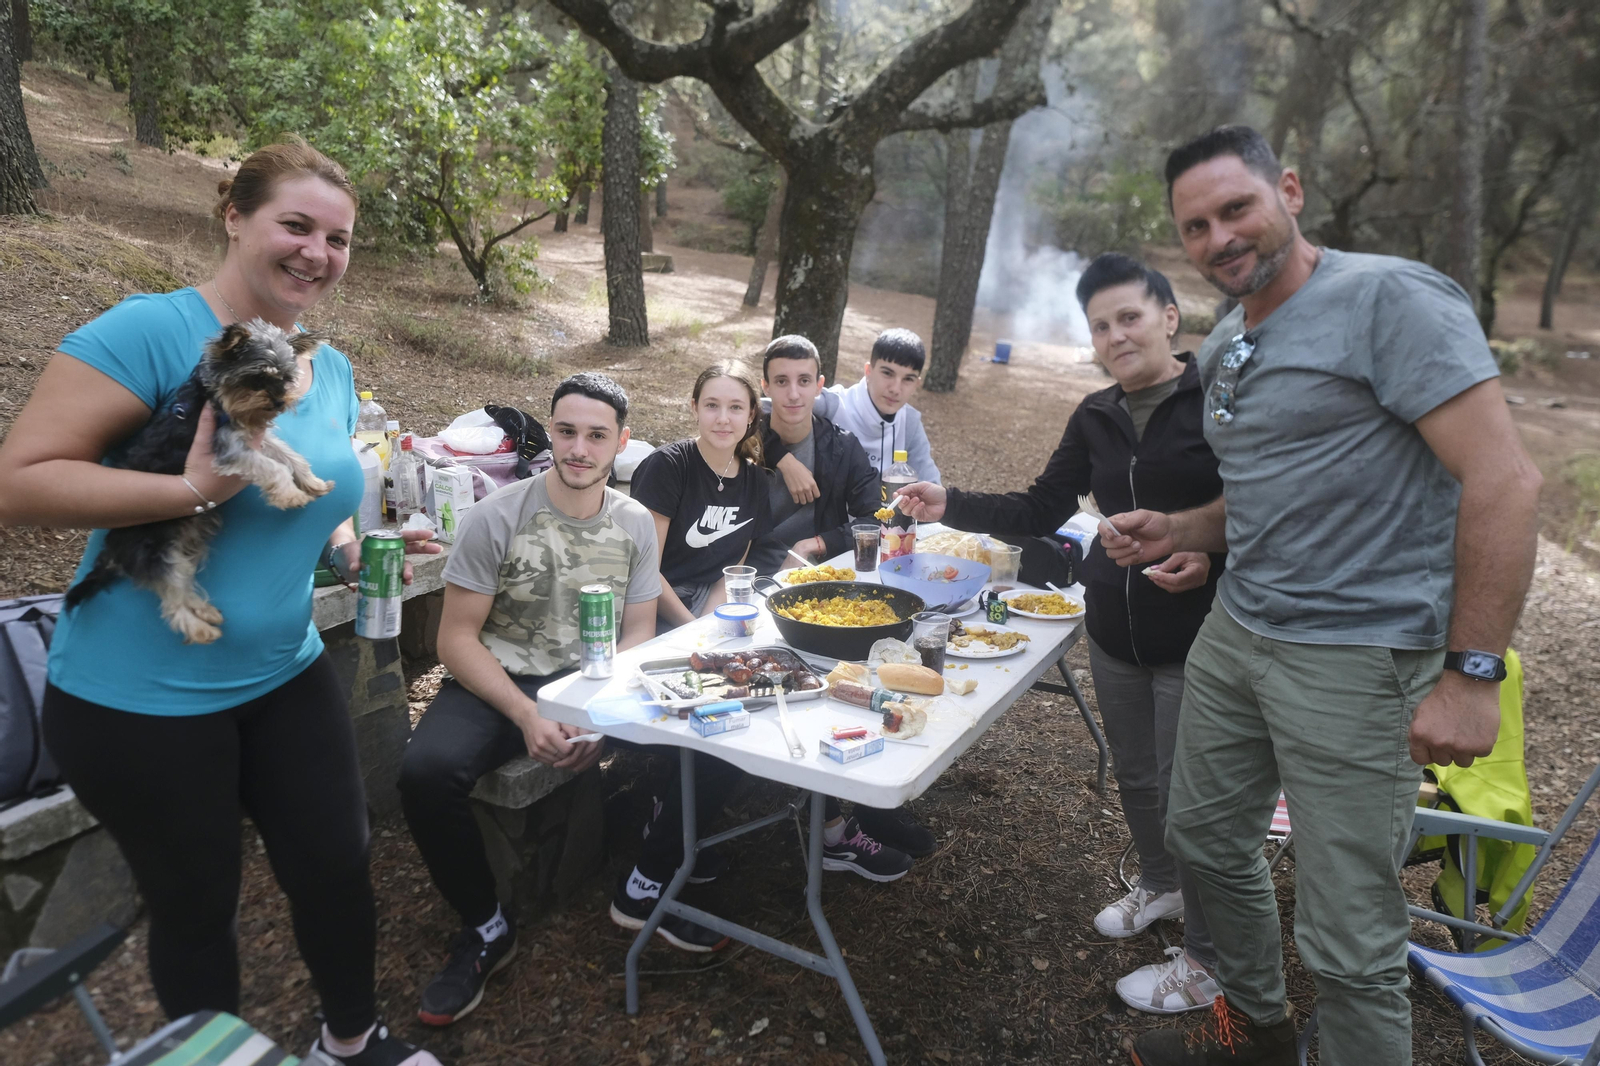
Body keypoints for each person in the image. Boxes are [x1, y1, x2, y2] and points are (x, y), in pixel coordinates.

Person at [1102, 126, 1542, 1066]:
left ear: (1288, 191)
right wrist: (1181, 531)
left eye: (1236, 209)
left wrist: (1471, 675)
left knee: (1349, 938)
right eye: (1195, 226)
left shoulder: (1389, 298)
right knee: (1205, 840)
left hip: (1358, 658)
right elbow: (1265, 490)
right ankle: (1263, 1034)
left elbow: (1504, 482)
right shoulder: (1229, 343)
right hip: (1239, 632)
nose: (1219, 237)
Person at [0, 138, 443, 1066]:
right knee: (199, 905)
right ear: (234, 216)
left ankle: (350, 1041)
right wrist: (192, 489)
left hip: (283, 670)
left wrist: (359, 547)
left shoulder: (330, 363)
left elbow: (318, 490)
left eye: (339, 238)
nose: (317, 252)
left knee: (336, 861)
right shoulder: (150, 331)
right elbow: (21, 483)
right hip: (140, 694)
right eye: (295, 225)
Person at [895, 253, 1226, 1015]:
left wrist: (1211, 554)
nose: (1116, 335)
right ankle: (1161, 884)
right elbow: (1042, 506)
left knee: (1194, 800)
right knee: (1137, 776)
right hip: (1114, 626)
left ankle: (1207, 959)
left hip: (1200, 636)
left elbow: (1260, 508)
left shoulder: (1218, 401)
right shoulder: (1096, 413)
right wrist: (949, 502)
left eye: (1130, 317)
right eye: (1100, 326)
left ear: (1169, 318)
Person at [397, 373, 664, 1025]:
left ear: (620, 443)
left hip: (594, 677)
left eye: (597, 436)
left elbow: (637, 634)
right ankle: (486, 925)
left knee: (692, 731)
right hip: (500, 680)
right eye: (567, 432)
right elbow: (454, 639)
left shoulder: (633, 523)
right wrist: (526, 712)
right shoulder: (499, 516)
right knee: (424, 773)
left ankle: (654, 862)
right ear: (551, 433)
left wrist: (595, 712)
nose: (579, 448)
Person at [750, 335, 928, 868]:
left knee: (861, 674)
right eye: (780, 381)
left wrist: (819, 544)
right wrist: (781, 459)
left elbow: (876, 515)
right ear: (765, 387)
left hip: (816, 586)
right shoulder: (745, 436)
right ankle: (832, 820)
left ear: (821, 385)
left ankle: (865, 803)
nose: (793, 393)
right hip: (753, 579)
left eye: (804, 381)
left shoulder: (840, 445)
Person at [632, 362, 771, 628]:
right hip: (656, 600)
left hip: (713, 601)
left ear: (751, 414)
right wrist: (693, 629)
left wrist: (711, 623)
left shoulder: (756, 481)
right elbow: (645, 568)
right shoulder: (668, 466)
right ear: (694, 407)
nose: (723, 418)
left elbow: (731, 572)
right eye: (711, 405)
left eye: (736, 407)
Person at [771, 328, 940, 507]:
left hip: (885, 527)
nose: (896, 389)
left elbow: (932, 489)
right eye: (887, 373)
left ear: (917, 384)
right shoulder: (834, 404)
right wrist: (784, 460)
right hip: (830, 527)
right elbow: (754, 412)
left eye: (908, 379)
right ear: (868, 371)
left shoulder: (910, 422)